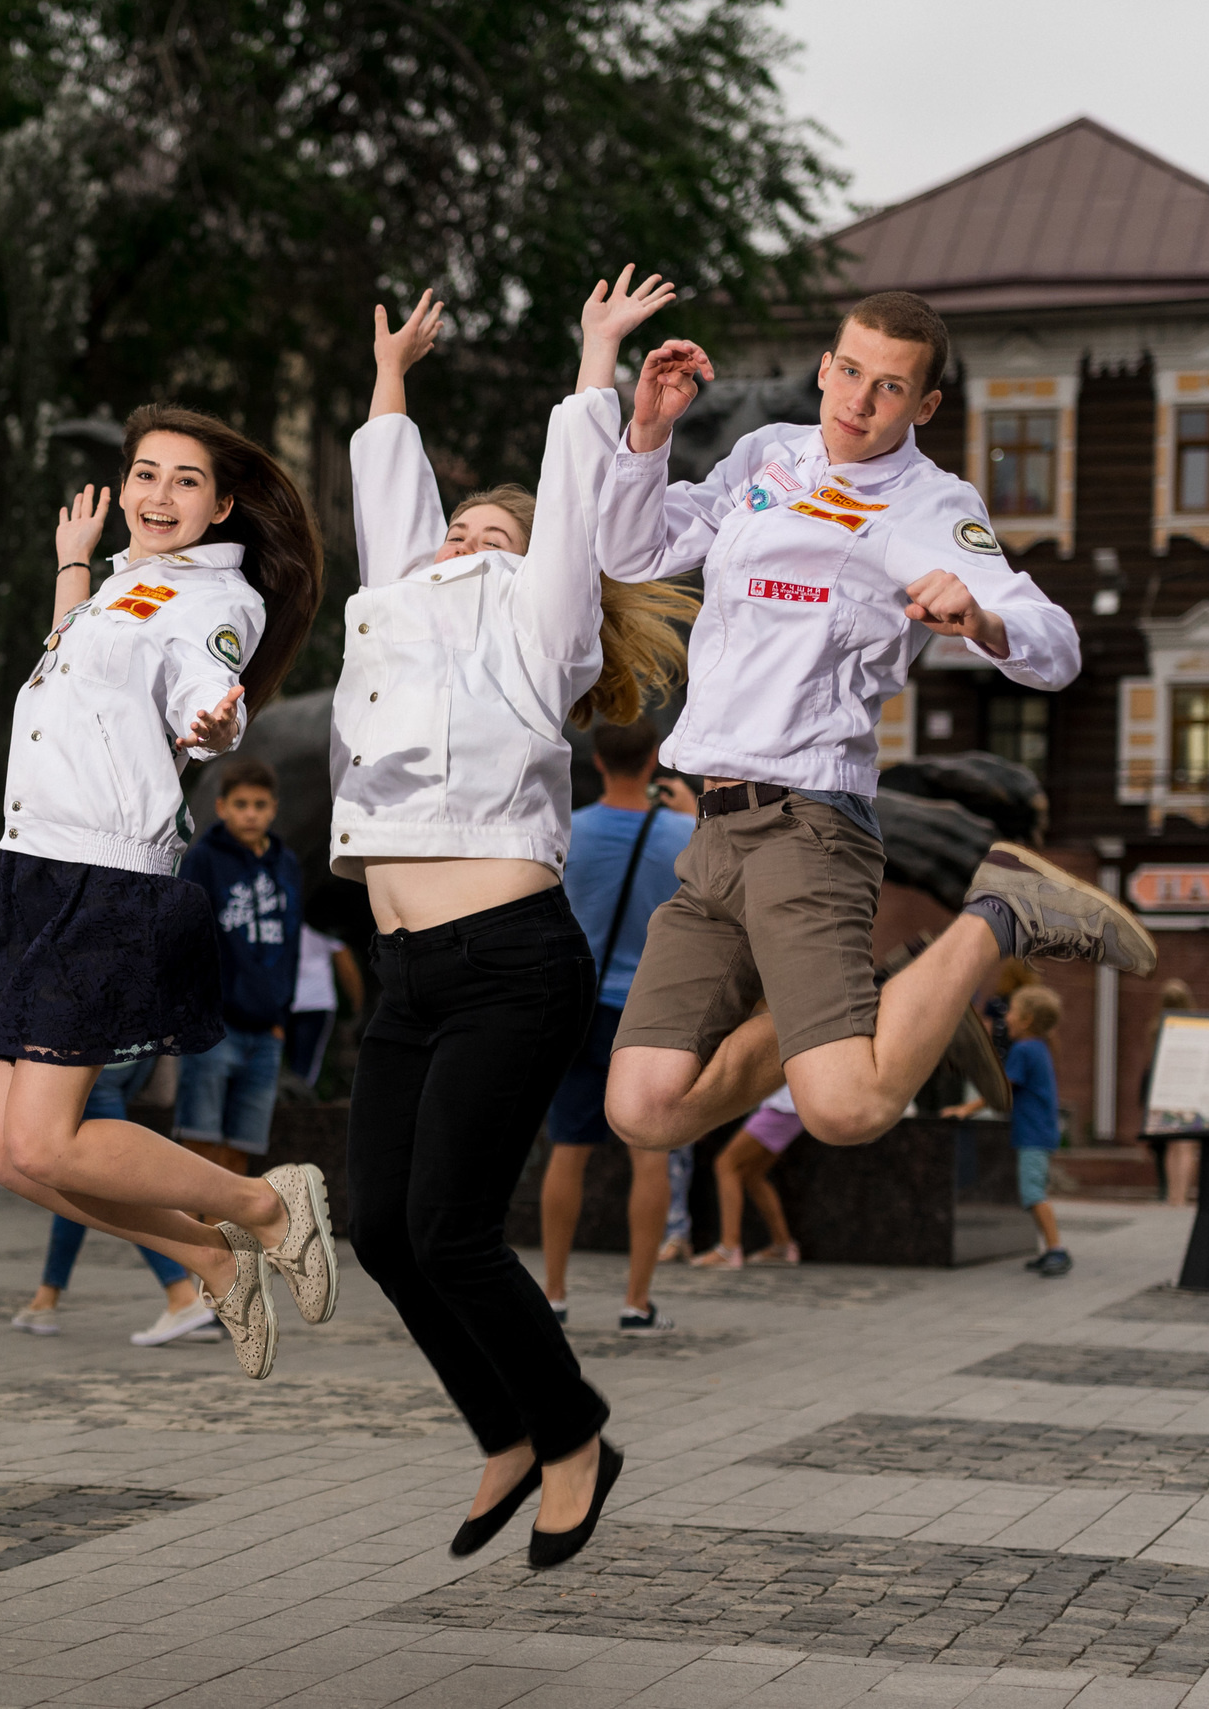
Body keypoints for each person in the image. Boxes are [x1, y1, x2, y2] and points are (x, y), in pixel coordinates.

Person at [595, 291, 1154, 1168]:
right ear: (825, 367)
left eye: (889, 388)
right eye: (849, 373)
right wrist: (649, 437)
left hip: (809, 823)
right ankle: (888, 993)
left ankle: (1003, 909)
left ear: (924, 406)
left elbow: (1058, 648)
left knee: (847, 1109)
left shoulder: (932, 506)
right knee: (643, 1107)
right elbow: (633, 555)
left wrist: (982, 617)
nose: (858, 401)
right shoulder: (767, 456)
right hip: (714, 831)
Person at [332, 272, 695, 1569]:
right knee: (379, 1227)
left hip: (508, 964)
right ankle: (503, 1429)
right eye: (456, 528)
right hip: (411, 968)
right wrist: (392, 379)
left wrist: (594, 355)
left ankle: (576, 1431)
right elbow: (388, 509)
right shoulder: (395, 618)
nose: (464, 540)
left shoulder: (541, 640)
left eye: (494, 530)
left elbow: (564, 521)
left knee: (448, 1230)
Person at [0, 394, 332, 1392]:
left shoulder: (217, 599)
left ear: (221, 504)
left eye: (185, 479)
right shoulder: (123, 582)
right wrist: (75, 561)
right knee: (6, 1155)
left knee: (46, 1136)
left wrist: (214, 721)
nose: (159, 494)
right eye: (147, 473)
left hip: (104, 874)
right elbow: (80, 672)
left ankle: (265, 1204)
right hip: (28, 864)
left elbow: (207, 688)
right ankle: (209, 1259)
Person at [538, 717, 694, 1333]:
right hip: (651, 1014)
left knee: (567, 1151)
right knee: (649, 1157)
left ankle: (552, 1294)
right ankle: (636, 1301)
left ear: (596, 761)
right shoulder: (684, 834)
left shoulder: (569, 829)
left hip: (579, 1007)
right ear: (656, 758)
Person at [11, 1059, 223, 1347]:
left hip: (87, 1053)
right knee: (78, 1182)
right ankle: (45, 1299)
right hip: (129, 1055)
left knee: (105, 1181)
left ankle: (183, 1293)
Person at [174, 759, 301, 1170]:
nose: (251, 813)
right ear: (222, 806)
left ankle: (222, 1235)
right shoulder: (204, 860)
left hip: (267, 1030)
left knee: (241, 1146)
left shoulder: (288, 866)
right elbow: (185, 938)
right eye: (241, 804)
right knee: (200, 1141)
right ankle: (189, 1235)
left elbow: (292, 941)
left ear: (274, 808)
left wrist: (282, 1015)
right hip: (216, 1027)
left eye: (260, 804)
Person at [693, 1087, 803, 1268]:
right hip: (792, 1108)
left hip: (782, 1107)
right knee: (753, 1175)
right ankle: (783, 1246)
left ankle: (728, 1249)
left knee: (726, 1164)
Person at [1007, 986, 1069, 1274]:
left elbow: (1004, 1088)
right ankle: (1050, 1249)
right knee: (1034, 1191)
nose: (1006, 1018)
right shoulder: (1039, 1047)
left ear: (1027, 1019)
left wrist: (966, 1108)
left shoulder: (1023, 1049)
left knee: (1033, 1194)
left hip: (1032, 1135)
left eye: (1012, 1012)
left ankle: (1057, 1249)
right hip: (1040, 1132)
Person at [283, 924, 361, 1096]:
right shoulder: (323, 924)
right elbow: (346, 967)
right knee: (307, 1065)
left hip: (285, 1001)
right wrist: (356, 1002)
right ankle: (299, 1109)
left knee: (286, 1063)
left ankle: (289, 1106)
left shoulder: (278, 920)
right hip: (316, 1002)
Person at [1142, 978, 1198, 1205]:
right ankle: (1182, 1195)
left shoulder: (1157, 1027)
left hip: (1165, 1087)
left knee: (1171, 1145)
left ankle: (1172, 1195)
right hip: (1188, 1086)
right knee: (1185, 1145)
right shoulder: (1194, 1026)